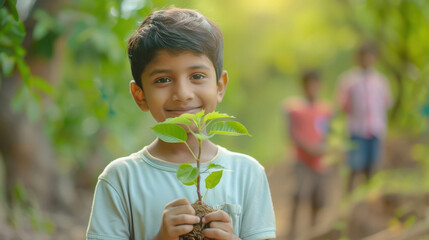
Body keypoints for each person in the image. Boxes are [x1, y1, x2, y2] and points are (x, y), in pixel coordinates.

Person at [86, 8, 276, 240]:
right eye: (163, 80)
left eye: (197, 76)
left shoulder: (247, 173)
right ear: (140, 95)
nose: (183, 94)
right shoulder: (121, 179)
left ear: (219, 87)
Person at [337, 43, 393, 192]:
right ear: (357, 58)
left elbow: (387, 103)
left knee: (372, 167)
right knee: (354, 167)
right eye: (364, 56)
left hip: (375, 129)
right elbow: (342, 104)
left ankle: (369, 199)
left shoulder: (380, 81)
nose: (367, 60)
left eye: (370, 56)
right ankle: (348, 201)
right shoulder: (349, 80)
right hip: (357, 130)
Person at [284, 70, 331, 239]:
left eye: (315, 84)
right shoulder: (294, 109)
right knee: (298, 195)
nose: (312, 88)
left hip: (320, 162)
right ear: (303, 86)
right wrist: (308, 148)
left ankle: (313, 231)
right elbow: (292, 133)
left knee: (318, 200)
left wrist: (324, 148)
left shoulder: (325, 110)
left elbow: (328, 133)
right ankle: (292, 232)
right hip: (301, 161)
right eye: (309, 85)